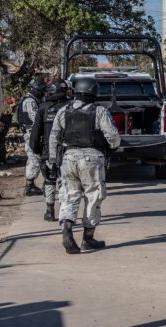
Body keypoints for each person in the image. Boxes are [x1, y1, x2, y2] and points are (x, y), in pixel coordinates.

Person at [48, 78, 121, 254]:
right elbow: (112, 136)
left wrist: (53, 161)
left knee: (69, 196)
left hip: (68, 158)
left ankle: (67, 230)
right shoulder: (100, 111)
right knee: (93, 197)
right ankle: (88, 239)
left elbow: (54, 137)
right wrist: (113, 146)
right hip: (92, 158)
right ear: (93, 93)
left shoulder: (63, 111)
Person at [30, 79, 71, 222]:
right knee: (66, 182)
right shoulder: (70, 106)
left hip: (48, 151)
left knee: (49, 180)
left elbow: (35, 133)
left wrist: (35, 150)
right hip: (68, 152)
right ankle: (66, 214)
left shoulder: (43, 107)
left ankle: (49, 211)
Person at [17, 78, 47, 196]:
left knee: (35, 157)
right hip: (31, 133)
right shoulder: (30, 101)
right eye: (42, 90)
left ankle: (31, 184)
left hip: (32, 132)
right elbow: (35, 119)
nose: (43, 93)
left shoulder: (32, 100)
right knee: (34, 158)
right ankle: (29, 186)